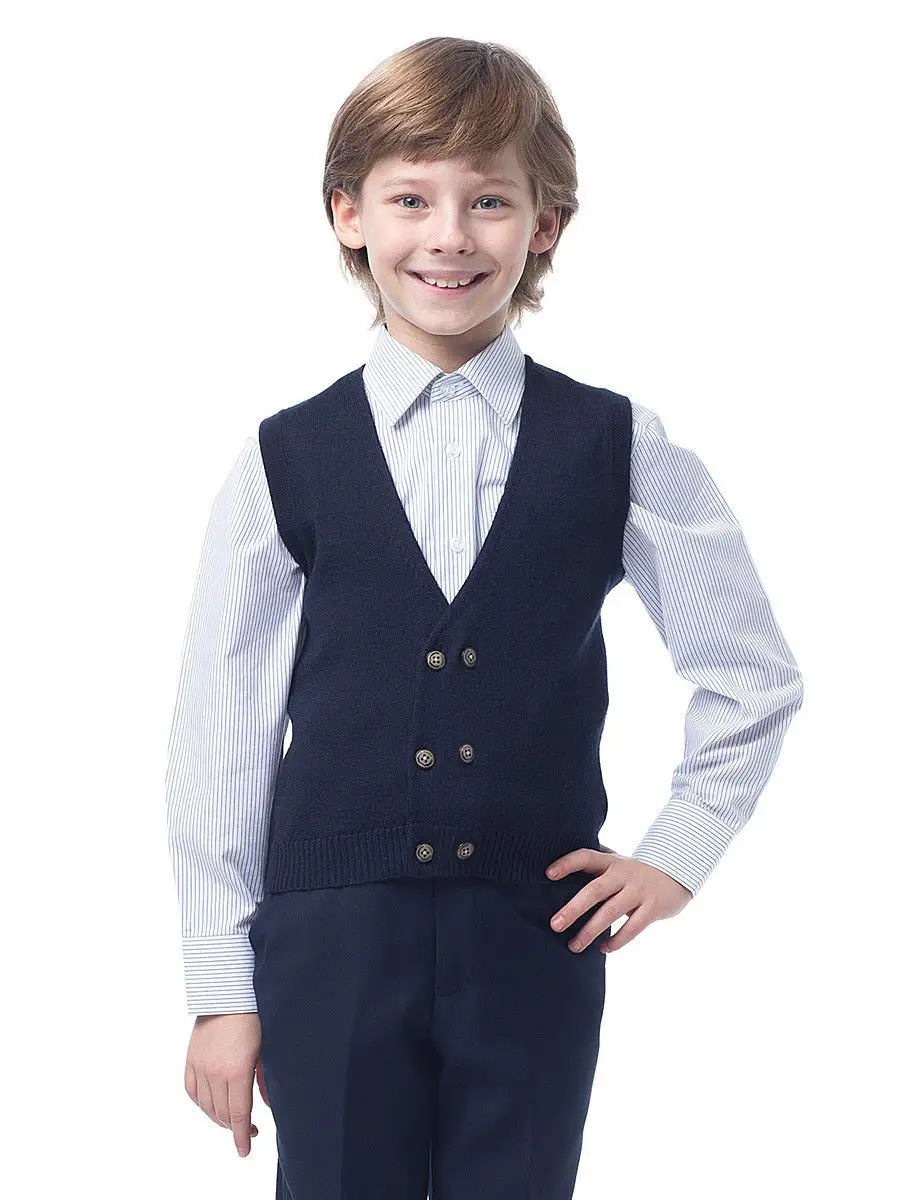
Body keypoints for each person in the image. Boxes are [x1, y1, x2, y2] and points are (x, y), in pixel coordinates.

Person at [165, 35, 804, 1200]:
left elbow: (752, 674)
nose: (450, 236)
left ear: (546, 223)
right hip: (328, 938)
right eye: (412, 199)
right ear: (349, 214)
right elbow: (222, 734)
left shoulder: (619, 446)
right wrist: (220, 990)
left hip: (533, 933)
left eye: (489, 201)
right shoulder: (284, 460)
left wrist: (676, 856)